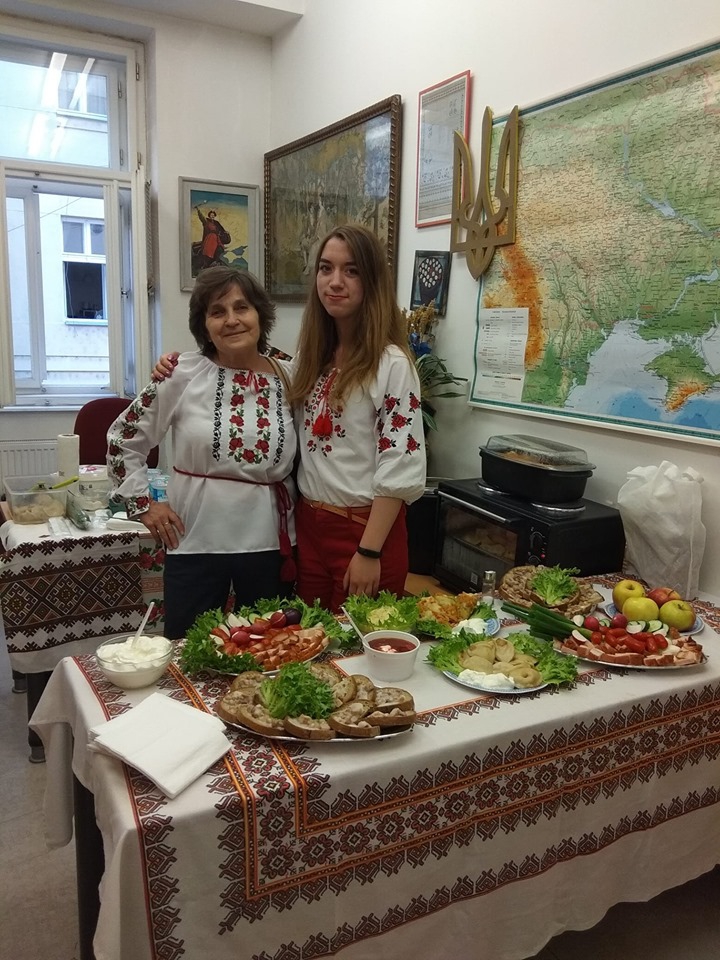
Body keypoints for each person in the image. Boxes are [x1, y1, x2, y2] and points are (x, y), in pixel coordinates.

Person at [154, 224, 426, 612]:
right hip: (309, 529)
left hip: (364, 532)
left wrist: (369, 550)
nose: (335, 282)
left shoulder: (391, 364)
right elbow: (249, 363)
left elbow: (400, 462)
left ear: (373, 282)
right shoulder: (309, 363)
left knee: (355, 643)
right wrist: (177, 363)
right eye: (326, 268)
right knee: (308, 640)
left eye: (351, 271)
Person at [108, 265, 297, 639]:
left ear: (260, 314)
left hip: (269, 542)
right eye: (217, 312)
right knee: (190, 647)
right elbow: (123, 439)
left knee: (267, 647)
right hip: (194, 537)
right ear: (204, 325)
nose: (232, 320)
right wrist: (143, 504)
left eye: (242, 308)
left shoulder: (290, 375)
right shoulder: (181, 373)